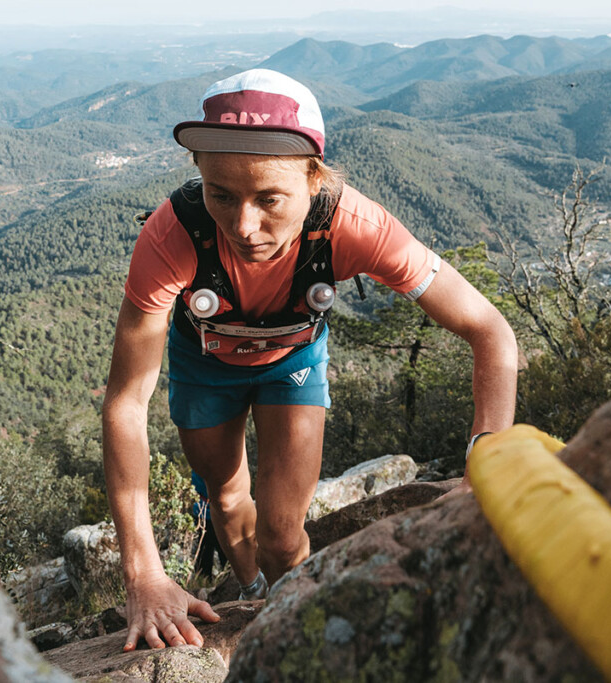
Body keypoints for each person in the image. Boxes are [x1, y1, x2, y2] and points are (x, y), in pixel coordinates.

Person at [101, 68, 517, 652]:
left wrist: (485, 466)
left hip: (291, 361)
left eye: (269, 199)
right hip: (205, 365)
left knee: (281, 531)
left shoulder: (355, 225)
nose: (245, 227)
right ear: (199, 174)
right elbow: (125, 405)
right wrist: (143, 573)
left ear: (314, 177)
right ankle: (250, 595)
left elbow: (490, 331)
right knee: (225, 496)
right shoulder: (172, 235)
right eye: (222, 195)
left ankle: (294, 619)